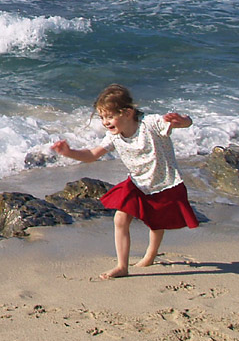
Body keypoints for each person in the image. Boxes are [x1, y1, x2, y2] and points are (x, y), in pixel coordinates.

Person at [50, 84, 198, 279]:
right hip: (137, 183)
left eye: (109, 116)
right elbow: (92, 155)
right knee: (120, 219)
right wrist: (69, 152)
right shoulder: (113, 136)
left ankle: (150, 255)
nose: (105, 122)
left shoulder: (151, 124)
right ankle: (122, 266)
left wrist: (183, 120)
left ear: (127, 113)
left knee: (156, 223)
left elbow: (185, 123)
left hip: (164, 182)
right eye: (102, 117)